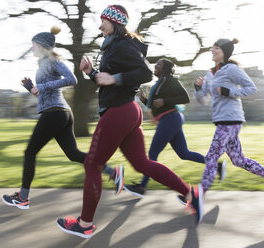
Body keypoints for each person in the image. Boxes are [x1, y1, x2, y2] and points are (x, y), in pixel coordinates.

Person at [56, 5, 203, 239]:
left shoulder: (122, 44)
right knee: (142, 163)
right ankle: (190, 194)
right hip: (128, 110)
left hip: (119, 111)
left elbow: (145, 73)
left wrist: (113, 77)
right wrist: (92, 72)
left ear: (114, 22)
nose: (99, 25)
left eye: (103, 20)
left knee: (92, 165)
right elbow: (110, 81)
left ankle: (84, 224)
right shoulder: (115, 46)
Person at [2, 26, 124, 210]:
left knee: (29, 153)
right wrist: (33, 88)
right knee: (73, 154)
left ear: (42, 45)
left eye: (34, 45)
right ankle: (112, 172)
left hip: (55, 113)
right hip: (59, 113)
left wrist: (43, 87)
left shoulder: (52, 60)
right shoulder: (43, 64)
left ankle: (23, 197)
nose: (32, 48)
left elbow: (72, 79)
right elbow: (46, 91)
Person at [193, 38, 264, 208]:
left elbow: (251, 88)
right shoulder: (210, 73)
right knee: (238, 160)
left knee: (212, 157)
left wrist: (229, 91)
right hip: (221, 120)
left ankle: (199, 196)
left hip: (232, 120)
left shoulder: (232, 69)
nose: (212, 51)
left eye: (216, 48)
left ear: (224, 52)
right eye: (212, 48)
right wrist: (198, 88)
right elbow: (203, 100)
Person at [124, 58, 227, 198]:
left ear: (165, 68)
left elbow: (185, 98)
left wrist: (164, 101)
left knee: (153, 153)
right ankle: (216, 165)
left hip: (170, 119)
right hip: (170, 119)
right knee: (184, 153)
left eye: (159, 65)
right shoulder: (159, 83)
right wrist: (145, 101)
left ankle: (142, 187)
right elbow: (156, 105)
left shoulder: (171, 80)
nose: (156, 66)